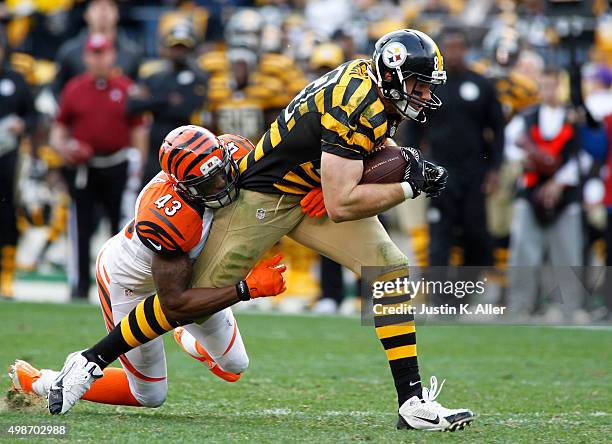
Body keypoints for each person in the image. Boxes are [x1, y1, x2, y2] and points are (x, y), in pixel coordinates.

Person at [18, 29, 474, 431]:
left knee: (389, 268)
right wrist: (409, 184)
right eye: (416, 83)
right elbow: (342, 203)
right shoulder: (355, 102)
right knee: (185, 302)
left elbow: (360, 154)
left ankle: (412, 401)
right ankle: (89, 361)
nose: (421, 93)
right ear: (392, 75)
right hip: (266, 196)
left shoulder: (373, 90)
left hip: (310, 189)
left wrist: (371, 169)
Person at [9, 127, 288, 414]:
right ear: (183, 186)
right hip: (128, 280)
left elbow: (285, 167)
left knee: (235, 364)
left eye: (221, 173)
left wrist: (316, 192)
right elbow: (174, 303)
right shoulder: (168, 219)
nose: (221, 185)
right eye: (207, 184)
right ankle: (40, 381)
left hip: (183, 276)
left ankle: (182, 332)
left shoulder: (237, 151)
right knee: (149, 395)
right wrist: (245, 289)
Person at [50, 33, 147, 300]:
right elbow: (58, 130)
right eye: (94, 53)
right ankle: (79, 286)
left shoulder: (126, 88)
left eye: (103, 52)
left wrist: (136, 166)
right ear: (86, 57)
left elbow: (138, 131)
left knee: (122, 230)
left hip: (117, 164)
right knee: (80, 227)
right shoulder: (75, 88)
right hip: (85, 168)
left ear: (112, 55)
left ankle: (119, 287)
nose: (98, 58)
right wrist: (65, 148)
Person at [403, 30, 505, 267]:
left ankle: (467, 293)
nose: (455, 53)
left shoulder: (482, 85)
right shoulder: (429, 86)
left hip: (474, 173)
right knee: (439, 234)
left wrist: (494, 170)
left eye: (459, 47)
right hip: (438, 172)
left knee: (474, 233)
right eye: (449, 47)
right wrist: (414, 168)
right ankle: (440, 298)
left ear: (467, 49)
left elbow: (498, 130)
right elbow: (414, 130)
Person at [506, 66, 584, 321]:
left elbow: (577, 155)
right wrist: (526, 158)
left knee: (567, 252)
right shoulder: (527, 117)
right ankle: (520, 305)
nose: (549, 92)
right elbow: (511, 145)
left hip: (565, 193)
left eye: (553, 86)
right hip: (531, 190)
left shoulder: (573, 118)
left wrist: (558, 184)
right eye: (545, 86)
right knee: (524, 250)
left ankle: (568, 307)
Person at [127, 22, 208, 185]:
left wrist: (153, 99)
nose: (179, 52)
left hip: (186, 145)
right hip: (156, 146)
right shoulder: (154, 76)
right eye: (175, 47)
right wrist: (166, 99)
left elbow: (184, 109)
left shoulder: (199, 76)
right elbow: (132, 106)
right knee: (149, 190)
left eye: (183, 48)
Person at [0, 28, 38, 299]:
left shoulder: (15, 79)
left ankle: (7, 275)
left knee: (6, 212)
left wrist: (21, 124)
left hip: (8, 155)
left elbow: (34, 115)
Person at [52, 0, 142, 97]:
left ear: (117, 14)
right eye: (97, 5)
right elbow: (57, 91)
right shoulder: (69, 52)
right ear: (86, 14)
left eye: (110, 5)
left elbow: (138, 92)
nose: (103, 11)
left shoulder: (132, 53)